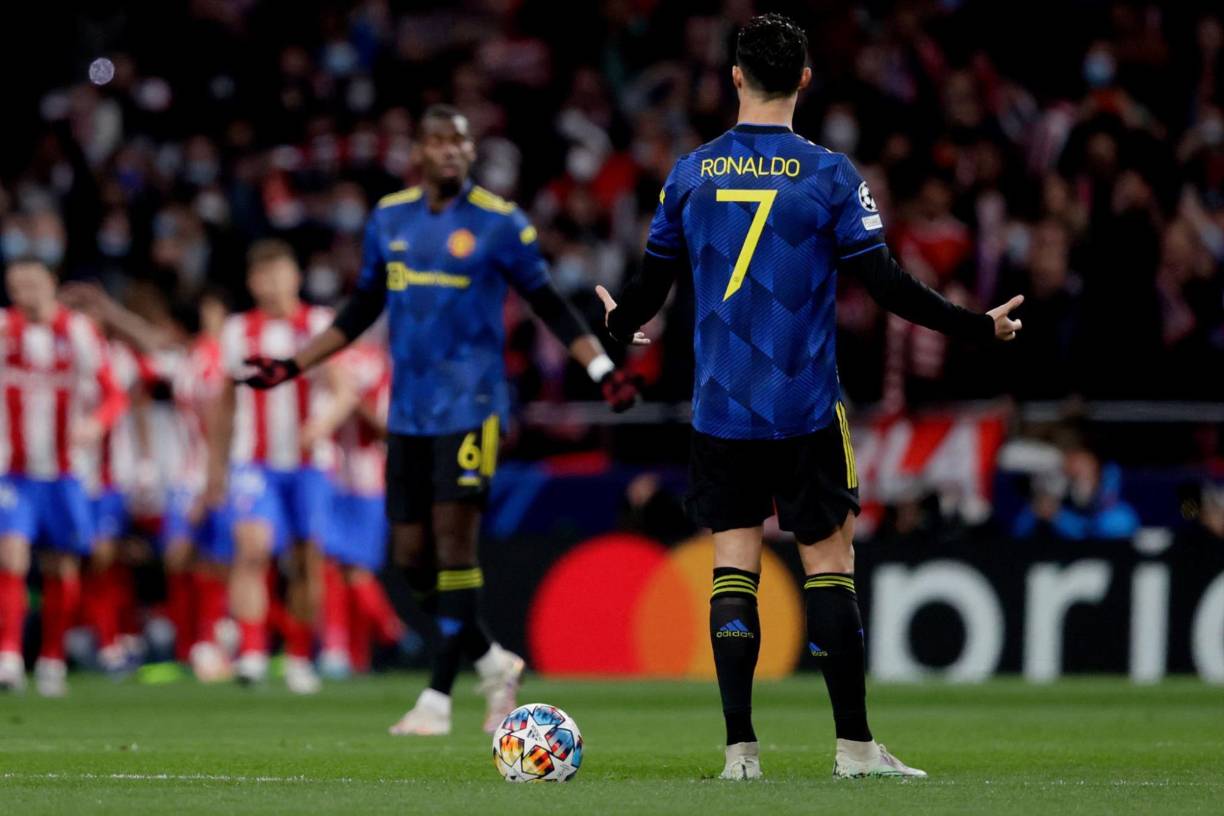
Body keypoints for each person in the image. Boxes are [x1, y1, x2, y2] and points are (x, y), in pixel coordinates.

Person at [596, 13, 1023, 780]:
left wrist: (619, 323)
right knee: (829, 564)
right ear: (803, 78)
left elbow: (651, 287)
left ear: (735, 76)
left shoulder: (690, 173)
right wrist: (974, 326)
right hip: (803, 405)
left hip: (721, 408)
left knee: (734, 566)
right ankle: (854, 750)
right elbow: (885, 283)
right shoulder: (829, 175)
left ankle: (740, 754)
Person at [241, 104, 641, 735]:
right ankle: (493, 661)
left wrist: (601, 368)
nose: (451, 150)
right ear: (418, 152)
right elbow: (360, 308)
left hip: (471, 408)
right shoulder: (389, 218)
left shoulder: (499, 222)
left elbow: (549, 304)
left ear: (470, 152)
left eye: (460, 141)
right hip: (407, 413)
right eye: (438, 141)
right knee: (409, 558)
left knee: (454, 547)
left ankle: (436, 698)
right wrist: (292, 366)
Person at [206, 239, 350, 694]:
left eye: (279, 274)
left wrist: (322, 423)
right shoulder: (237, 330)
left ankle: (298, 655)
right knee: (252, 549)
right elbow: (226, 402)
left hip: (310, 464)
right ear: (252, 282)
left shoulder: (319, 324)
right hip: (254, 461)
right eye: (263, 276)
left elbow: (344, 390)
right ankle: (251, 652)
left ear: (296, 277)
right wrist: (215, 469)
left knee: (307, 560)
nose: (271, 284)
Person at [0, 256, 127, 696]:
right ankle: (9, 655)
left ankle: (52, 658)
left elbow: (115, 395)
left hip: (67, 474)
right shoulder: (4, 329)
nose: (26, 293)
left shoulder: (79, 331)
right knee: (11, 555)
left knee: (64, 564)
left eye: (33, 283)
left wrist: (95, 423)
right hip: (14, 472)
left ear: (51, 282)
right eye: (17, 285)